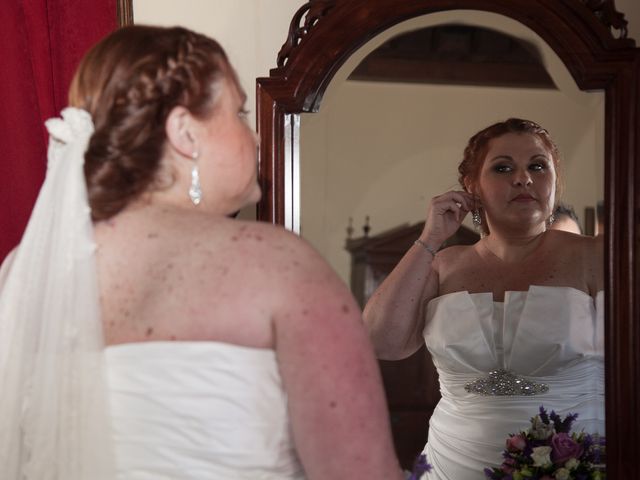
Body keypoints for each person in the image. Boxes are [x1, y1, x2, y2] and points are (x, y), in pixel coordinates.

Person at [0, 25, 402, 480]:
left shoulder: (28, 273)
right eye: (240, 112)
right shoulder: (279, 266)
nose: (253, 138)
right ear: (185, 133)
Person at [363, 118, 604, 479]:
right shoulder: (443, 265)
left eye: (537, 166)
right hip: (452, 463)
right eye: (503, 167)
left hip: (573, 462)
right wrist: (430, 239)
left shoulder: (595, 256)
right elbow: (380, 341)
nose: (523, 178)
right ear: (471, 186)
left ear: (555, 181)